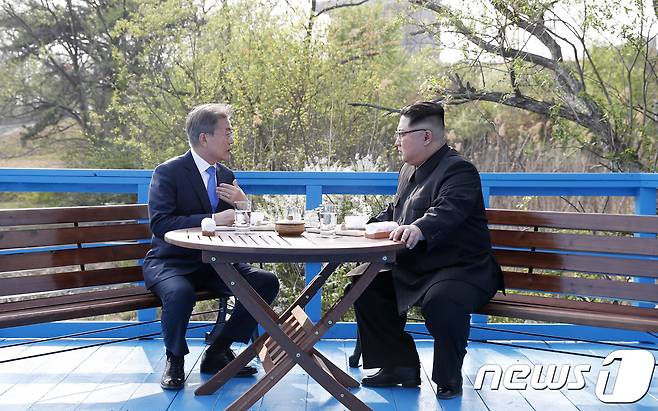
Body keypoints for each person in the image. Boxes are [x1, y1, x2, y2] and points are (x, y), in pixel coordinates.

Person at [354, 101, 503, 399]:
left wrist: (419, 228)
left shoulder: (460, 170)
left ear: (425, 136)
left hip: (463, 269)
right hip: (418, 265)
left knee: (442, 301)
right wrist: (363, 225)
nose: (397, 140)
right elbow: (395, 212)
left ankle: (449, 378)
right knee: (364, 282)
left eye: (401, 133)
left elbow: (448, 211)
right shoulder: (408, 169)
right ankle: (399, 366)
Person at [143, 103, 280, 390]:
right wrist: (213, 220)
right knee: (180, 294)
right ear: (204, 138)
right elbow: (161, 224)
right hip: (171, 263)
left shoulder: (226, 175)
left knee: (266, 283)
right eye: (227, 132)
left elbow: (245, 227)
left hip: (217, 264)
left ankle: (218, 350)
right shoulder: (168, 172)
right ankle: (175, 359)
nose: (232, 139)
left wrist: (244, 205)